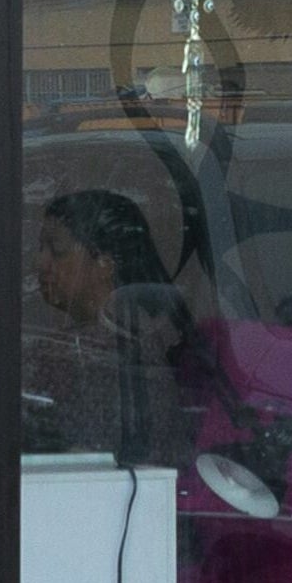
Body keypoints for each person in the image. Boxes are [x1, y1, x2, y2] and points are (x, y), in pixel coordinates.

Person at [18, 187, 196, 468]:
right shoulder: (143, 338)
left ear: (104, 264)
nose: (40, 263)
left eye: (57, 250)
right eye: (41, 250)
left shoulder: (94, 352)